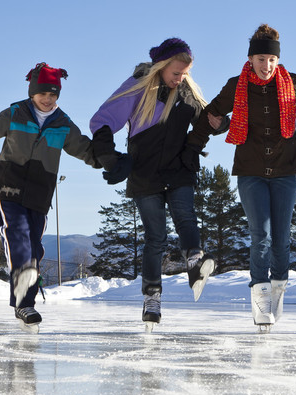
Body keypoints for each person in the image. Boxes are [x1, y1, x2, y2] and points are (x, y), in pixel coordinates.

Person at [185, 24, 296, 330]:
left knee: (282, 239)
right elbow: (209, 116)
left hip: (285, 170)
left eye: (271, 60)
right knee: (261, 236)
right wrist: (192, 148)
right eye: (261, 59)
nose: (266, 66)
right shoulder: (235, 86)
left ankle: (278, 289)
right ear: (251, 58)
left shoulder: (292, 83)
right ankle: (260, 297)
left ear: (277, 60)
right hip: (250, 171)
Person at [0, 62, 122, 332]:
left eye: (53, 95)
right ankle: (22, 291)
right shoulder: (15, 114)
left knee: (35, 246)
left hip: (40, 193)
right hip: (10, 187)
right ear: (32, 92)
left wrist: (115, 162)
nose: (47, 99)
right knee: (16, 232)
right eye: (43, 94)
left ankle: (24, 302)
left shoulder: (63, 124)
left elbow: (88, 152)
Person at [90, 38, 224, 329]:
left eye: (185, 73)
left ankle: (195, 262)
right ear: (161, 67)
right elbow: (103, 119)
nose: (181, 78)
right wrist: (107, 155)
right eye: (176, 73)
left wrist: (219, 123)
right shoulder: (139, 85)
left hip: (179, 168)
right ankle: (152, 297)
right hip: (145, 172)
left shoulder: (187, 91)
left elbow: (206, 118)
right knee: (156, 238)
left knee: (186, 216)